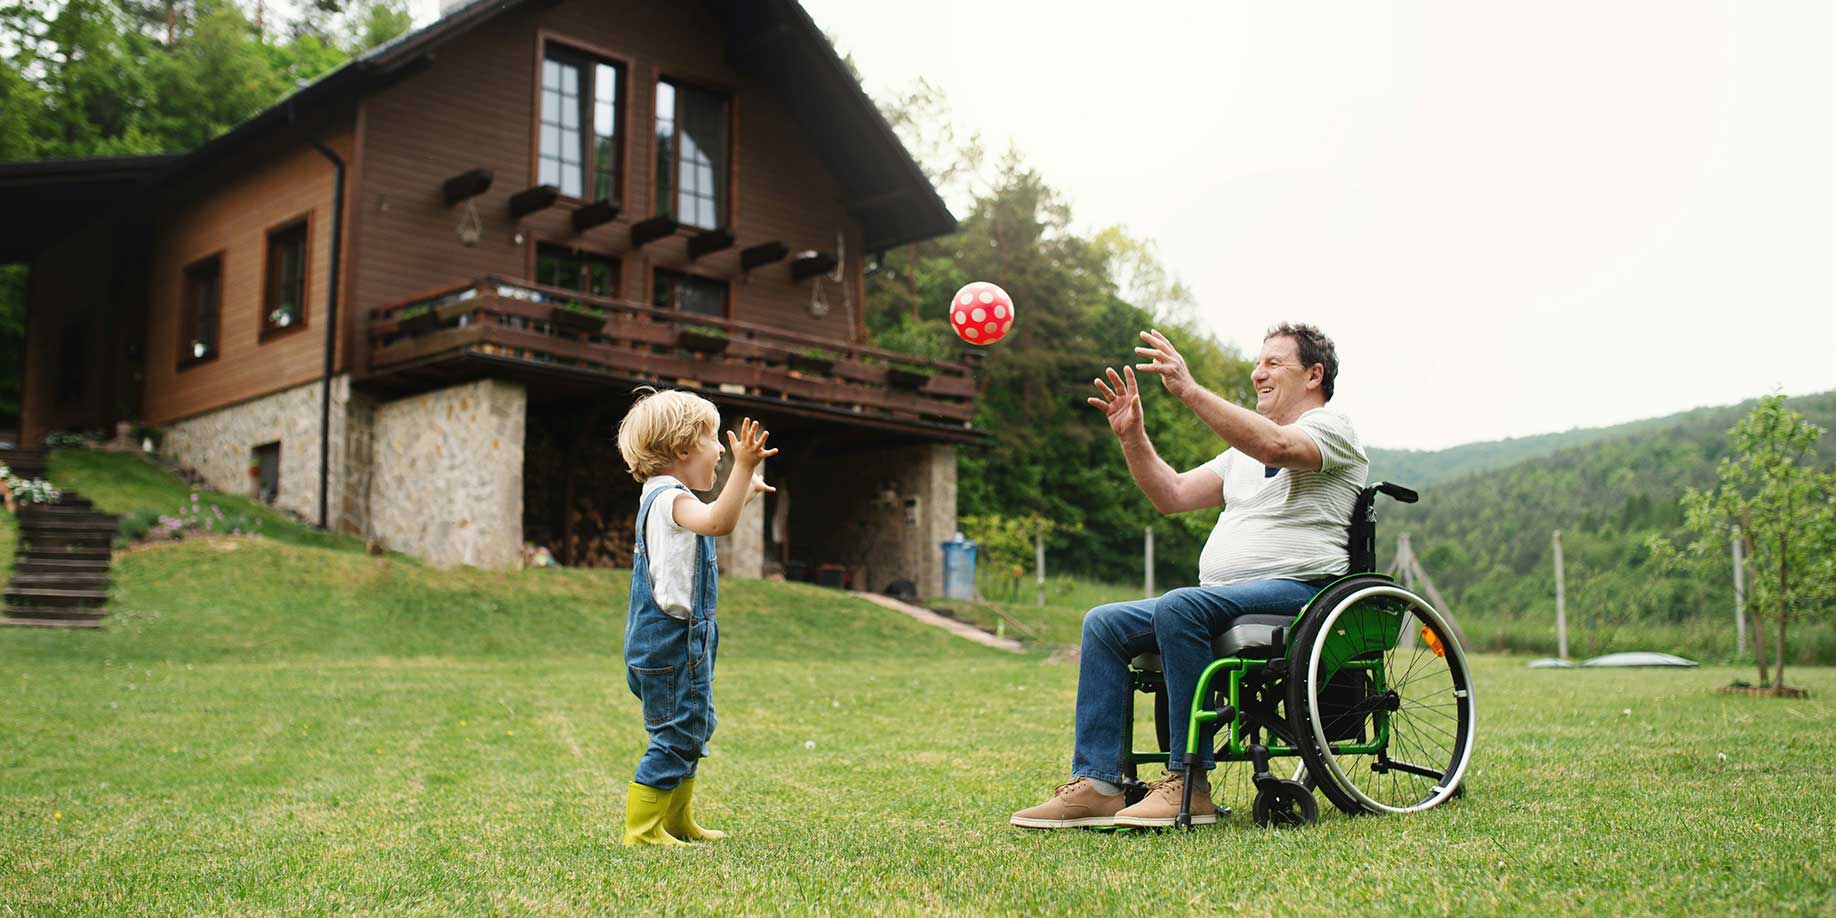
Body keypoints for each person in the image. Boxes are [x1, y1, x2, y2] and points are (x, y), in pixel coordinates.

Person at [1010, 322, 1367, 829]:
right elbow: (1171, 494)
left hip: (1303, 595)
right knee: (1104, 622)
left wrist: (1189, 390)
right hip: (1227, 598)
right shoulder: (1239, 455)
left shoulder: (1333, 428)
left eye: (1273, 363)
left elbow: (1278, 448)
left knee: (1181, 605)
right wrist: (1132, 435)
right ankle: (1098, 784)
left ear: (1314, 374)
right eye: (1258, 362)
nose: (1257, 372)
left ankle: (1189, 782)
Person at [614, 388, 776, 846]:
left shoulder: (668, 497)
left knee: (693, 726)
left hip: (683, 642)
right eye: (712, 439)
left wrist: (741, 490)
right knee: (675, 734)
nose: (722, 449)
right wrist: (743, 469)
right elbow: (717, 523)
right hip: (669, 643)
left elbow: (710, 517)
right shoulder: (668, 498)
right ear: (683, 448)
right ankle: (642, 832)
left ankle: (676, 821)